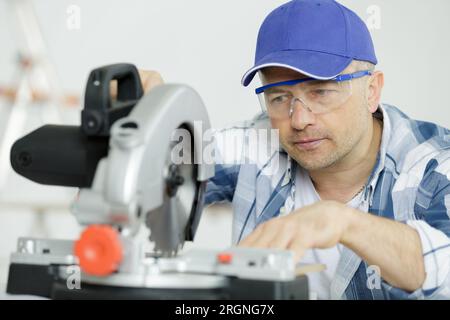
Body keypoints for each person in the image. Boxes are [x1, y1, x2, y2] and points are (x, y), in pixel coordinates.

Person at [138, 0, 450, 300]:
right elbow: (153, 173)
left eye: (321, 92)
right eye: (279, 97)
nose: (298, 120)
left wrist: (342, 222)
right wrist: (135, 124)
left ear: (371, 91)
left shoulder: (433, 165)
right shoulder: (256, 144)